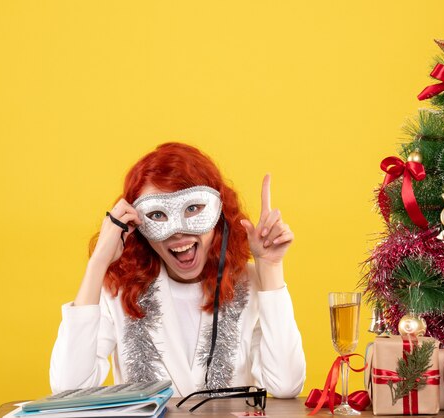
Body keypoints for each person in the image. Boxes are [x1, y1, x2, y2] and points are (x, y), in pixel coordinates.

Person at [49, 142, 306, 398]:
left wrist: (270, 268)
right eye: (158, 215)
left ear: (219, 213)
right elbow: (69, 390)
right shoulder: (117, 290)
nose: (177, 231)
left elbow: (285, 385)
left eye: (193, 208)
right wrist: (97, 264)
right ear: (134, 223)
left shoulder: (249, 283)